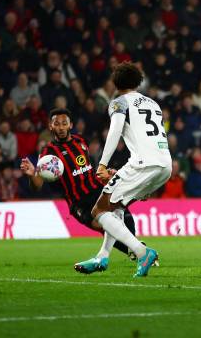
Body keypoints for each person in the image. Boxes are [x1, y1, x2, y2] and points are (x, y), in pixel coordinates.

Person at [77, 62, 172, 278]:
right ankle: (102, 256)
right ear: (138, 81)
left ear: (115, 82)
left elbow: (115, 131)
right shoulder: (153, 103)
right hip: (164, 164)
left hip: (143, 163)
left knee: (99, 211)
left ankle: (141, 251)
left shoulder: (118, 102)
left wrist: (102, 164)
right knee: (116, 207)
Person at [19, 108, 139, 273]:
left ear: (70, 125)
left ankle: (134, 250)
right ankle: (137, 251)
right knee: (106, 227)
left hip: (99, 190)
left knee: (125, 215)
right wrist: (32, 175)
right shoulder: (48, 153)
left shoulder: (80, 141)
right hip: (79, 201)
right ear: (50, 126)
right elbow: (37, 185)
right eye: (57, 124)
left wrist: (105, 175)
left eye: (64, 123)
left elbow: (88, 168)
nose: (61, 127)